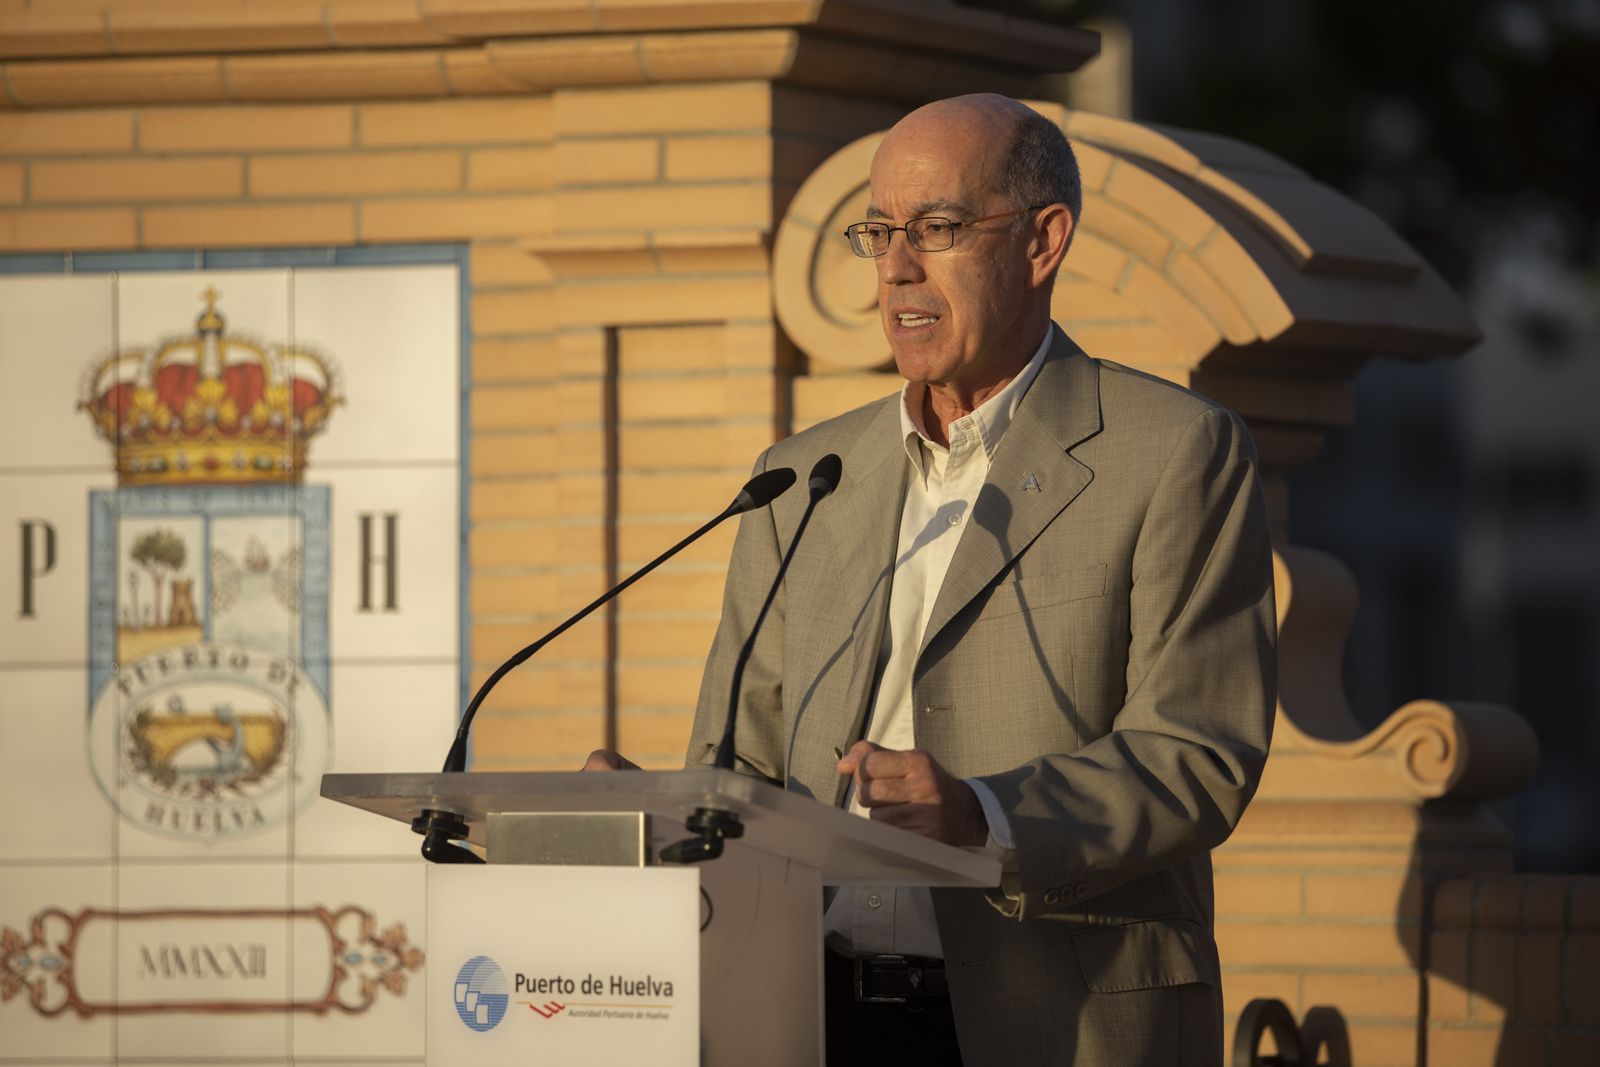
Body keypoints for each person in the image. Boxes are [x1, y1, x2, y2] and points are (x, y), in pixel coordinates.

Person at [588, 93, 1277, 1066]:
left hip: (1054, 1014)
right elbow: (739, 764)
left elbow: (1195, 753)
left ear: (1042, 242)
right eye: (878, 233)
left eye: (938, 228)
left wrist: (982, 816)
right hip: (810, 1011)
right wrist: (662, 812)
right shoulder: (801, 475)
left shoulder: (1173, 452)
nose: (897, 267)